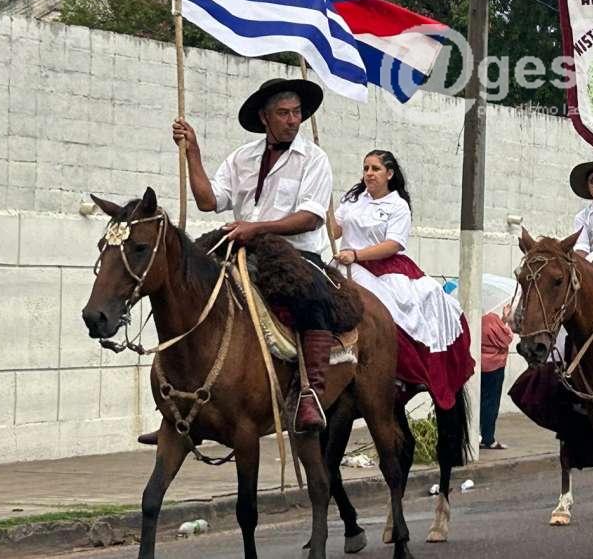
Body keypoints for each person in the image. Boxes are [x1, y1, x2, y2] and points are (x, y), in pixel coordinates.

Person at [170, 77, 336, 433]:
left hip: (296, 252)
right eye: (284, 113)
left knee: (314, 296)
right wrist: (193, 152)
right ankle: (177, 407)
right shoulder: (241, 157)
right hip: (242, 246)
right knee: (188, 283)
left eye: (297, 112)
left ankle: (310, 392)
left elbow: (311, 217)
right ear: (264, 117)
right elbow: (208, 201)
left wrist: (257, 228)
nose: (293, 120)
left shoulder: (314, 158)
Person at [331, 150, 474, 411]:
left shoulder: (398, 206)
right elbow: (334, 230)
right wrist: (322, 207)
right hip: (344, 263)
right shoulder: (353, 200)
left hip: (381, 268)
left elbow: (394, 244)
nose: (369, 173)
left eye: (375, 169)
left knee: (389, 313)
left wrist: (357, 255)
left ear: (389, 174)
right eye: (366, 168)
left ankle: (397, 371)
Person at [480, 303, 514, 450]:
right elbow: (507, 337)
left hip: (479, 367)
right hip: (496, 368)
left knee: (479, 402)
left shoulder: (476, 322)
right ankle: (488, 438)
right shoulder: (493, 320)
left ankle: (476, 436)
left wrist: (503, 318)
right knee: (491, 404)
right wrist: (506, 321)